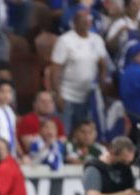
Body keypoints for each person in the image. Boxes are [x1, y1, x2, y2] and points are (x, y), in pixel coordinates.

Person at [51, 7, 108, 136]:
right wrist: (57, 94)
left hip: (87, 95)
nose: (86, 23)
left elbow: (102, 64)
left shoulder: (96, 40)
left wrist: (101, 86)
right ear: (75, 22)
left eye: (88, 20)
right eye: (82, 20)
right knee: (64, 132)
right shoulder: (65, 40)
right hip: (67, 94)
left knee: (83, 134)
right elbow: (55, 69)